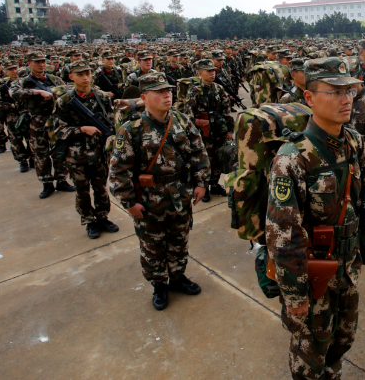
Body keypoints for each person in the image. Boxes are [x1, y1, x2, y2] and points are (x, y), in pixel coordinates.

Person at [266, 57, 365, 380]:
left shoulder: (353, 142)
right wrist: (295, 294)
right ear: (309, 98)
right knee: (310, 351)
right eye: (334, 92)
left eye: (348, 91)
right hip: (314, 276)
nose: (346, 99)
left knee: (343, 338)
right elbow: (283, 234)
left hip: (348, 265)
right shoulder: (291, 159)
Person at [109, 72, 211, 310]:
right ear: (144, 98)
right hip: (149, 201)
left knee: (179, 240)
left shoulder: (181, 120)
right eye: (160, 92)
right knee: (152, 246)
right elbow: (118, 172)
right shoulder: (131, 129)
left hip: (180, 195)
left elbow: (199, 153)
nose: (167, 95)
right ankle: (159, 284)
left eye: (169, 91)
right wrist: (129, 203)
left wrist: (200, 182)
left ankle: (177, 276)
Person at [53, 60, 119, 239]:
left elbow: (111, 122)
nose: (84, 78)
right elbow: (57, 129)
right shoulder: (65, 100)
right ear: (71, 77)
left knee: (101, 188)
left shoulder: (102, 96)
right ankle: (89, 221)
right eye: (79, 74)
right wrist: (81, 129)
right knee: (82, 190)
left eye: (87, 74)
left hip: (99, 152)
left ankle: (103, 217)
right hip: (77, 154)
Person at [10, 51, 75, 199]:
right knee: (41, 154)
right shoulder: (23, 81)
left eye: (43, 61)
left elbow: (66, 93)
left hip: (55, 122)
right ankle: (47, 183)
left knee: (60, 152)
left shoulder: (54, 80)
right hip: (37, 123)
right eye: (37, 62)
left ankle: (61, 180)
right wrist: (36, 92)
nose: (41, 65)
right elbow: (13, 92)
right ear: (29, 64)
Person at [183, 59, 233, 201]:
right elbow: (189, 113)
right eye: (208, 71)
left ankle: (215, 184)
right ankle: (203, 187)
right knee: (204, 160)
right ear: (200, 73)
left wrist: (229, 130)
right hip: (203, 132)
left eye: (213, 71)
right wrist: (193, 134)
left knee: (218, 159)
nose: (212, 73)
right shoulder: (194, 90)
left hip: (218, 129)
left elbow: (226, 109)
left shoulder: (218, 88)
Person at [0, 60, 33, 172]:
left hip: (28, 115)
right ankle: (22, 161)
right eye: (10, 69)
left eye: (15, 68)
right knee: (16, 141)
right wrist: (11, 106)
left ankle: (32, 158)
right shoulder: (3, 87)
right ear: (6, 72)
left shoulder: (27, 83)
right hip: (13, 118)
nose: (14, 71)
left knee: (32, 139)